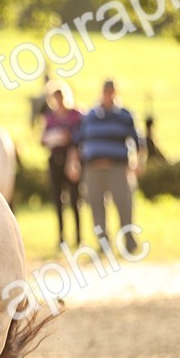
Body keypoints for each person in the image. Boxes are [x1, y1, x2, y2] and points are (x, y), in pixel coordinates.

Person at [76, 80, 145, 254]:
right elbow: (78, 141)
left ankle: (129, 242)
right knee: (96, 208)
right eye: (106, 91)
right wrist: (75, 162)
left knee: (124, 206)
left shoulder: (124, 115)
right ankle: (103, 245)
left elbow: (138, 141)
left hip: (117, 168)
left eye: (111, 91)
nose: (108, 94)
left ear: (116, 93)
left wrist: (139, 161)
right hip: (93, 169)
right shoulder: (90, 115)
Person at [40, 83, 83, 247]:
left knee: (74, 198)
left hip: (71, 158)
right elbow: (42, 139)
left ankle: (79, 237)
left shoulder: (75, 115)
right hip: (55, 159)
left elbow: (77, 136)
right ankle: (61, 237)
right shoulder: (50, 117)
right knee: (58, 199)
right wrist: (56, 137)